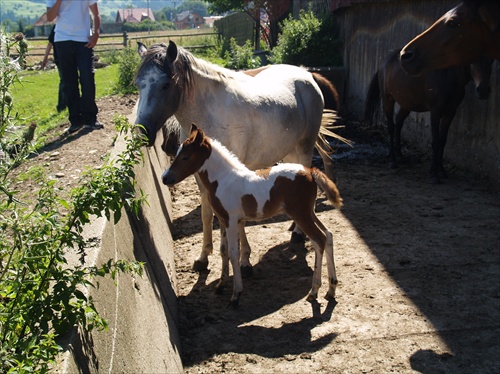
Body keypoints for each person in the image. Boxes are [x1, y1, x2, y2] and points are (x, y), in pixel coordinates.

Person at [46, 0, 103, 134]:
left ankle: (90, 118)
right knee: (69, 82)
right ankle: (75, 120)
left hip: (83, 40)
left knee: (87, 78)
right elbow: (50, 17)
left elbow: (96, 13)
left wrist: (96, 34)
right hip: (62, 40)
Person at [42, 24, 67, 113]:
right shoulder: (57, 27)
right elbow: (50, 43)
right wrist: (45, 59)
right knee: (64, 81)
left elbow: (50, 43)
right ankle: (62, 105)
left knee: (66, 81)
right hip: (60, 58)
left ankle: (66, 103)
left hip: (65, 57)